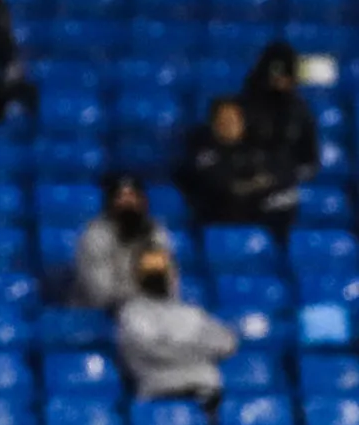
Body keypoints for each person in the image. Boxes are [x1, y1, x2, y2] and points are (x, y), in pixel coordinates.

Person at [117, 244, 238, 405]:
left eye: (162, 274)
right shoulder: (133, 315)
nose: (159, 280)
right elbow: (151, 350)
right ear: (139, 278)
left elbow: (227, 342)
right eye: (153, 276)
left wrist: (176, 347)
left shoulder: (190, 312)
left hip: (206, 393)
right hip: (160, 394)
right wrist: (198, 349)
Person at [181, 96, 291, 228]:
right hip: (217, 217)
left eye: (235, 119)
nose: (230, 124)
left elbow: (281, 174)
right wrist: (253, 185)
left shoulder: (255, 146)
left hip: (257, 214)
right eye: (225, 120)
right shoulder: (203, 149)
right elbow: (217, 184)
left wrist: (259, 184)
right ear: (214, 123)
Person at [75, 172, 173, 311]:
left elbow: (166, 284)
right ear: (110, 203)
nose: (128, 202)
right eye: (121, 197)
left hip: (149, 308)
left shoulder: (155, 233)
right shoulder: (95, 235)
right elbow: (100, 292)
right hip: (108, 311)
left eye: (133, 196)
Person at [240, 41, 318, 203]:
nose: (279, 81)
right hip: (245, 182)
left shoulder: (300, 112)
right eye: (274, 74)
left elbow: (310, 160)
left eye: (285, 75)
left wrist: (280, 177)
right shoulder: (244, 107)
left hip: (284, 185)